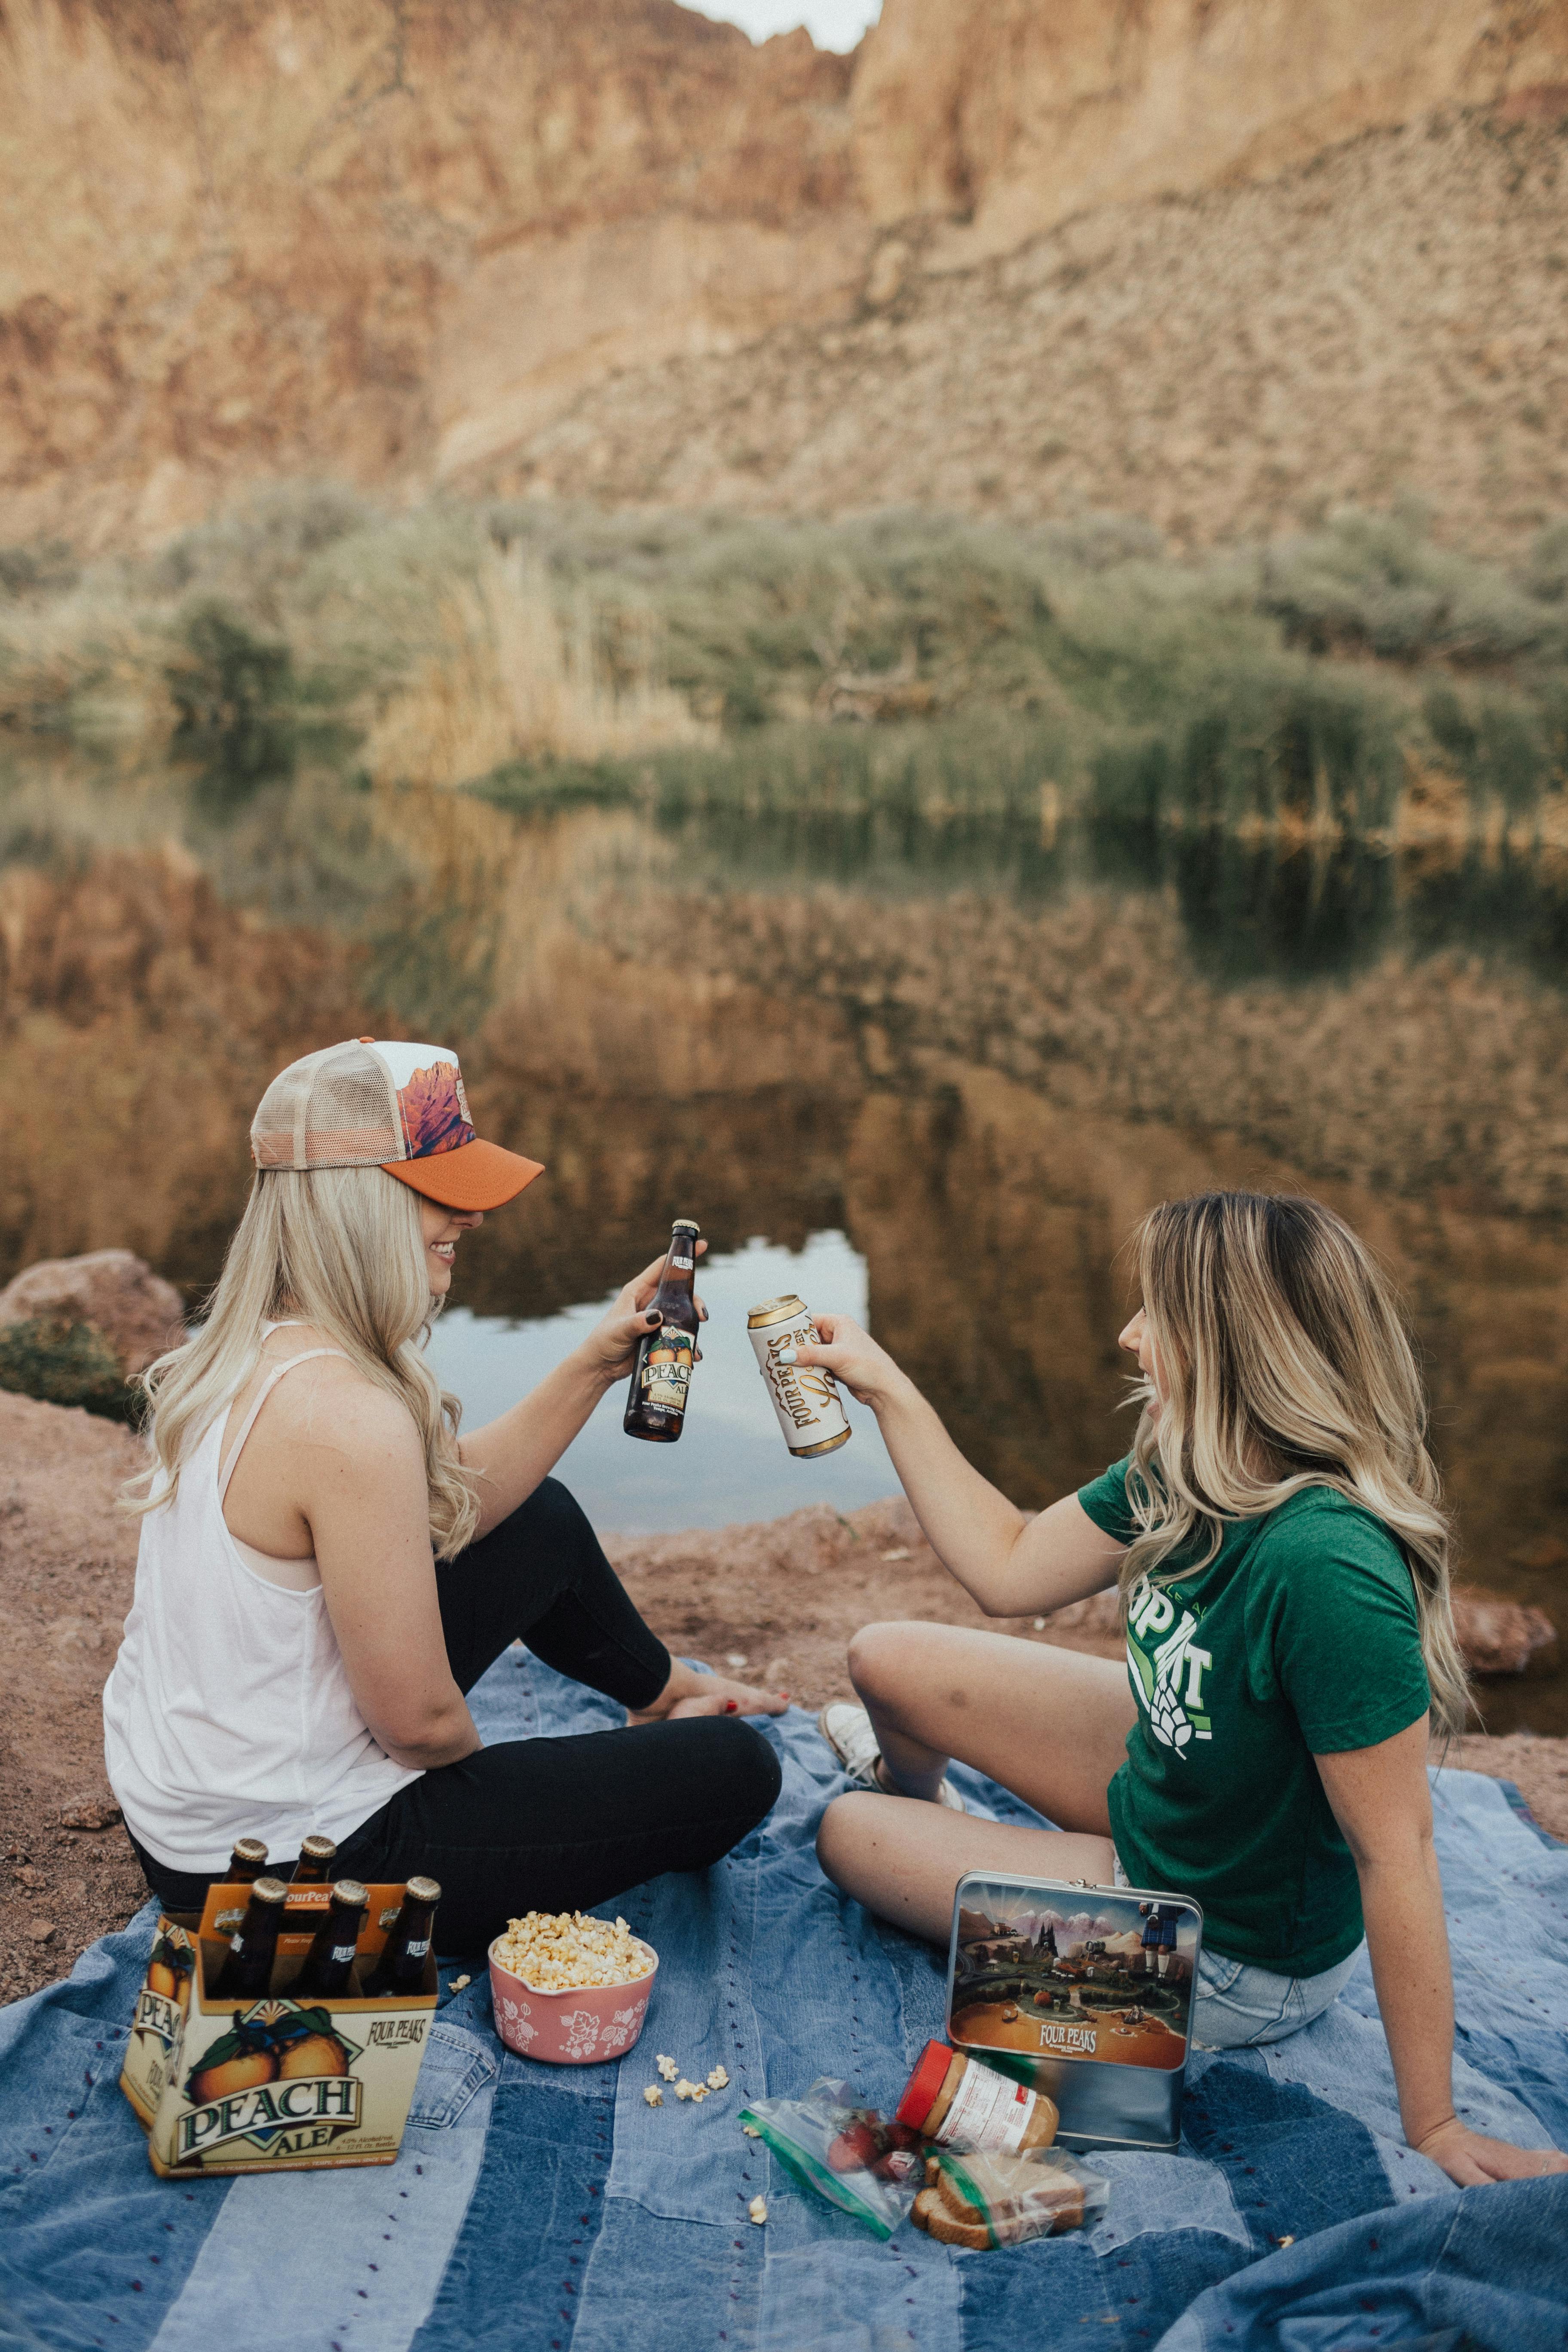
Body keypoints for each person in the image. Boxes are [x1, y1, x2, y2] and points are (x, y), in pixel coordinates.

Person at [796, 1190, 1566, 2189]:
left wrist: (1437, 2123)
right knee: (884, 1656)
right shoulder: (1188, 1461)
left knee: (846, 1834)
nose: (1128, 1335)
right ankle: (945, 1828)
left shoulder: (1328, 1566)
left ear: (1230, 1345)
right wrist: (886, 1388)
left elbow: (1400, 1849)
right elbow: (1010, 1563)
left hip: (1234, 1947)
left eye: (1153, 1313)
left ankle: (949, 1846)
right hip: (1184, 1781)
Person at [103, 1037, 785, 1953]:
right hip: (281, 1874)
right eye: (443, 1192)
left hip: (201, 1814)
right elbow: (422, 1728)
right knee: (738, 1768)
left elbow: (439, 1505)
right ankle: (664, 1729)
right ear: (359, 1201)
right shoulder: (345, 1415)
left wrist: (591, 1364)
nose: (472, 1218)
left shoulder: (252, 1352)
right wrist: (516, 1803)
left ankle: (657, 1692)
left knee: (536, 1517)